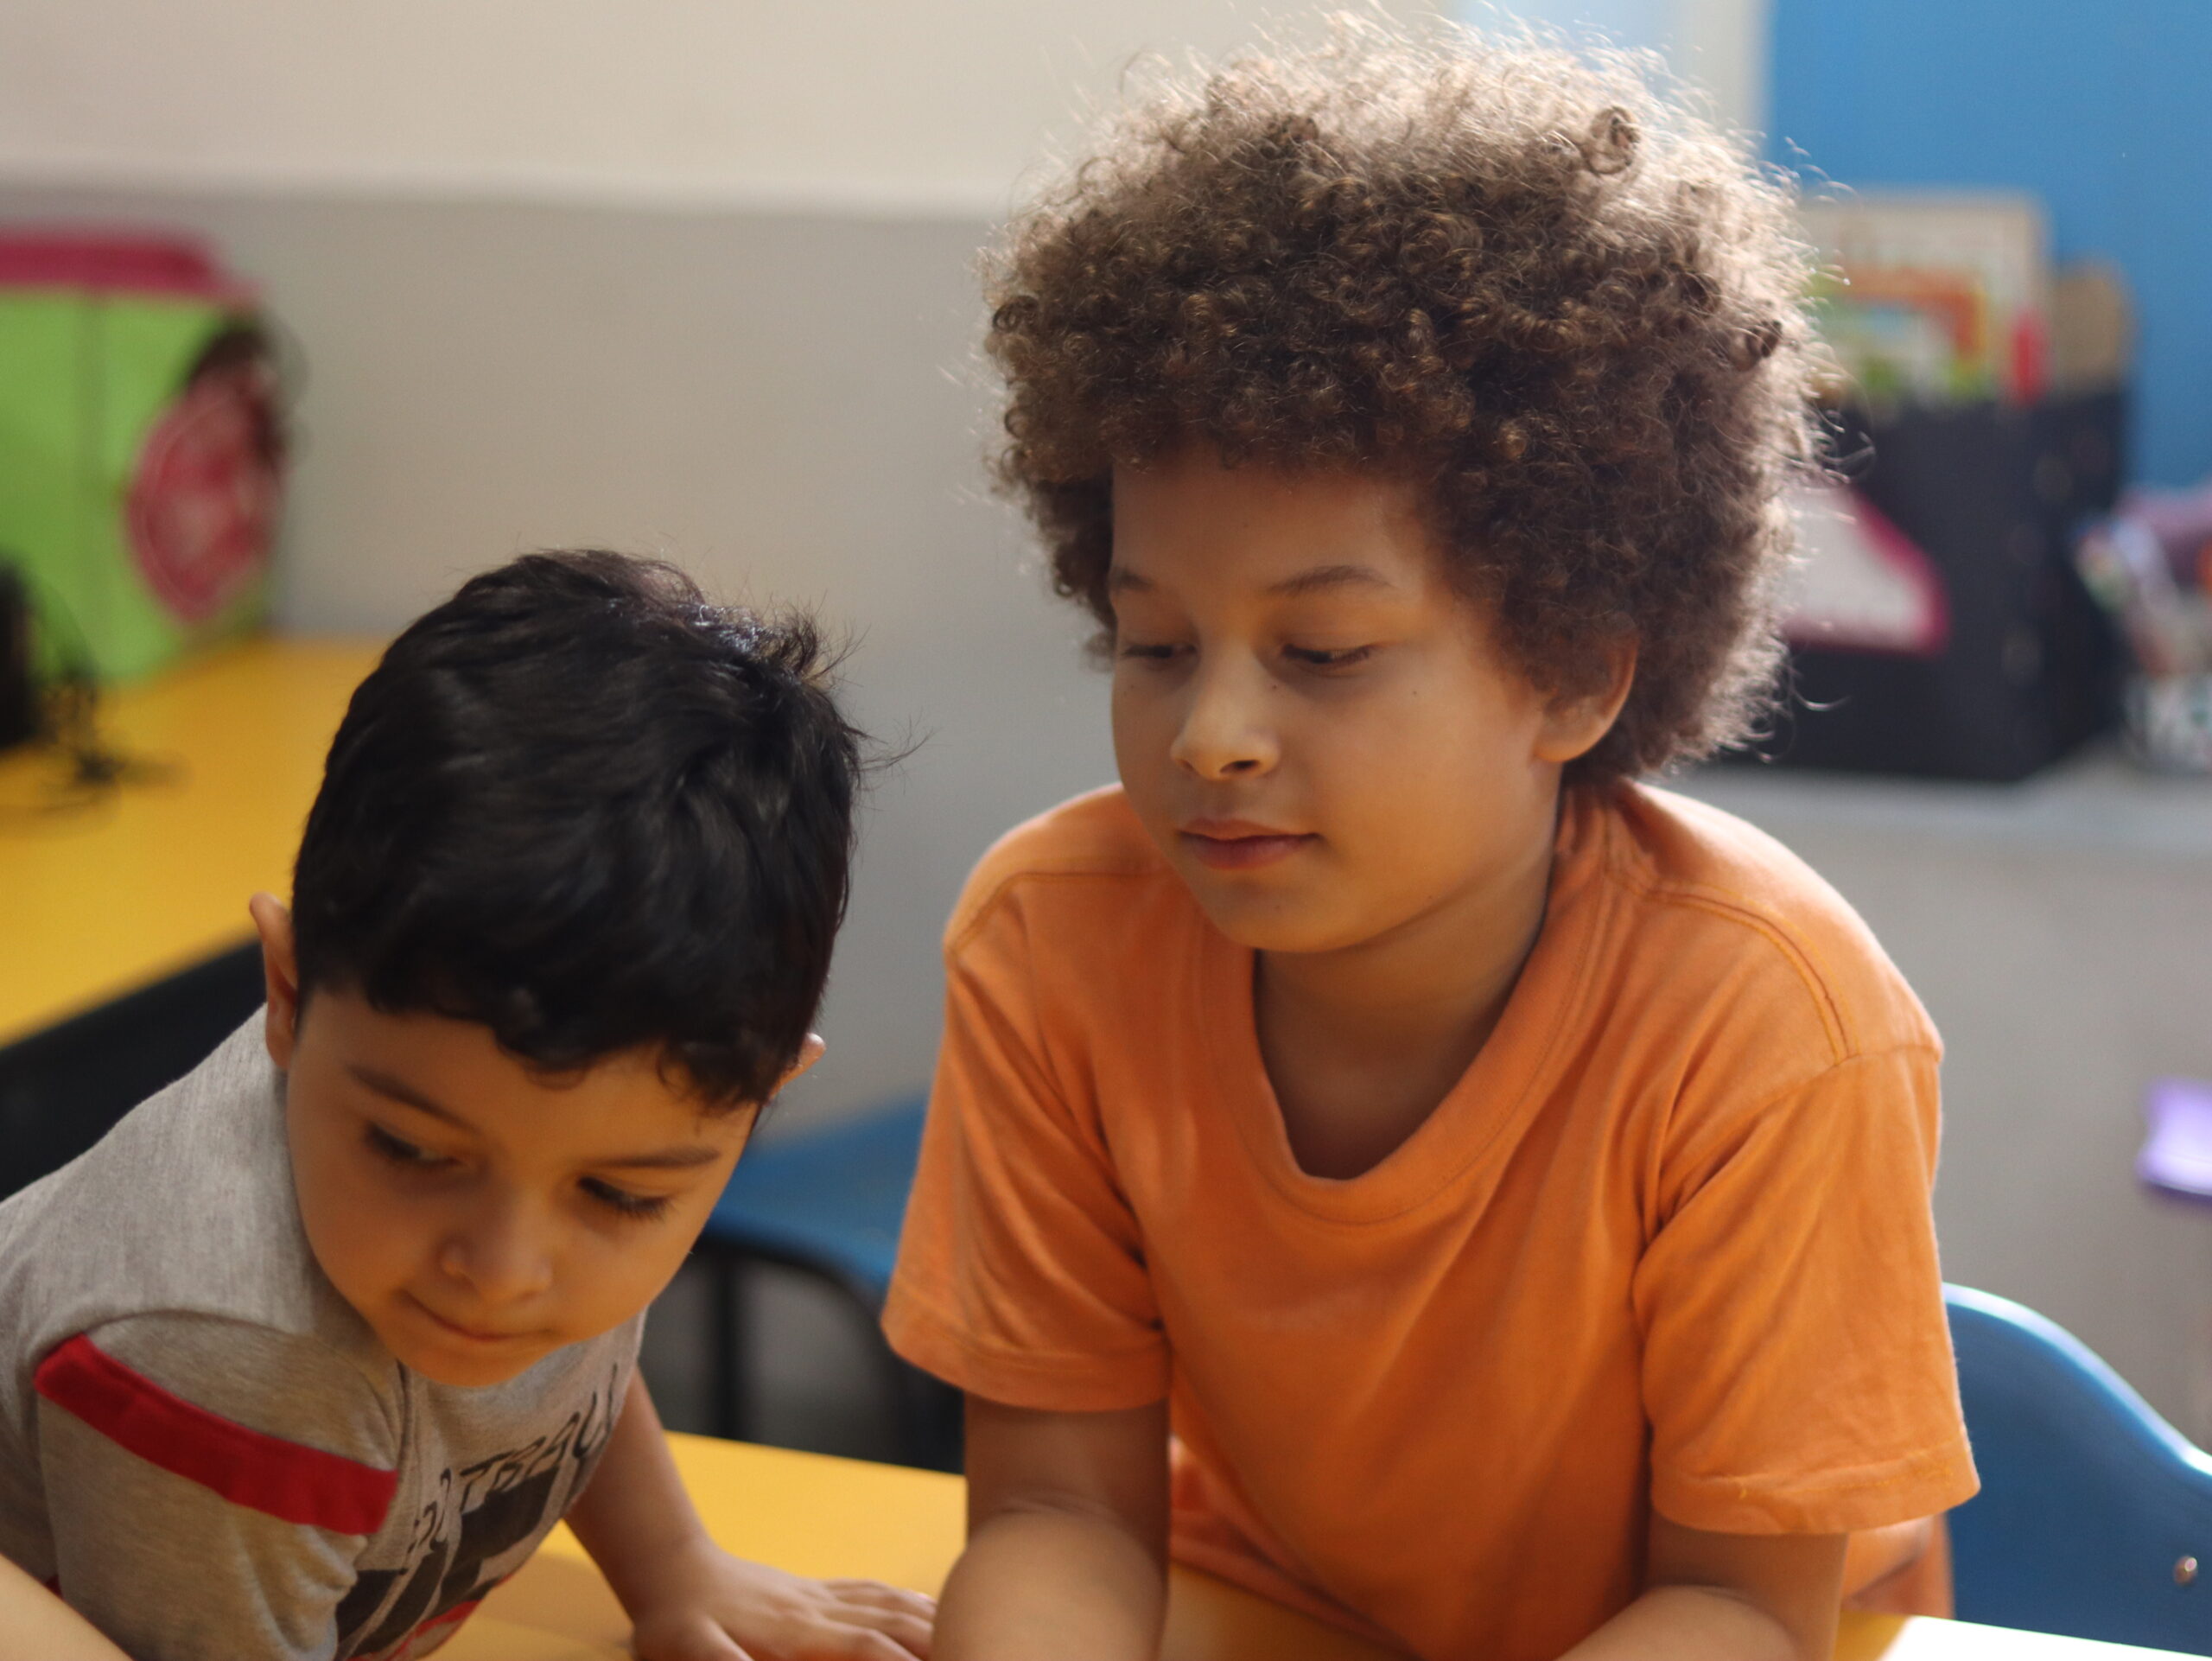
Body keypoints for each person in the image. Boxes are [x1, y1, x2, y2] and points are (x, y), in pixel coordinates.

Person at [881, 20, 1977, 1661]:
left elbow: (1741, 1605)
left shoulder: (1772, 1027)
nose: (1211, 734)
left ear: (1572, 669)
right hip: (1281, 1607)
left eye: (1321, 655)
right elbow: (1061, 1517)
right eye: (1157, 642)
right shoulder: (1054, 939)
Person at [0, 553, 934, 1661]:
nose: (504, 1272)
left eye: (620, 1195)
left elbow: (574, 1368)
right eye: (410, 1149)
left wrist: (678, 1567)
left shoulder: (498, 1129)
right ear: (288, 995)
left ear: (759, 1104)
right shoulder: (224, 1362)